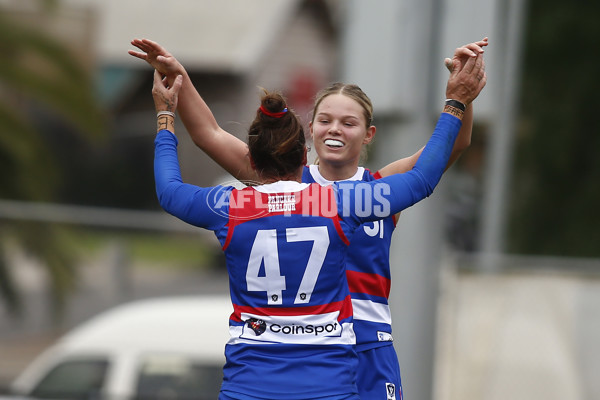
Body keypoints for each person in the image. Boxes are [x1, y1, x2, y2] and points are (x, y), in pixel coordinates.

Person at [137, 40, 487, 399]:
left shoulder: (377, 184)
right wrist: (182, 78)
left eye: (348, 123)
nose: (335, 129)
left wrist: (465, 95)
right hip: (309, 351)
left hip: (369, 345)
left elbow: (453, 145)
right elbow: (209, 134)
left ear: (368, 135)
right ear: (309, 132)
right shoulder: (282, 178)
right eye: (325, 120)